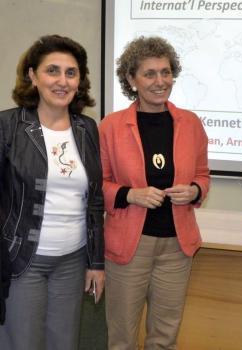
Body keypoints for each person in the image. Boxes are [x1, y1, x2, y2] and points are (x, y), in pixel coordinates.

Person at [99, 36, 210, 349]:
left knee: (165, 338)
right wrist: (130, 195)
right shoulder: (111, 127)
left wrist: (194, 190)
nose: (160, 81)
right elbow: (97, 184)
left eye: (166, 72)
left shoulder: (190, 124)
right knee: (122, 337)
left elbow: (203, 175)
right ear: (132, 80)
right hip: (129, 247)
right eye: (149, 74)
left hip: (177, 246)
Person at [0, 34, 105, 350]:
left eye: (71, 73)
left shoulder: (86, 128)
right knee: (23, 343)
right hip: (22, 261)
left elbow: (94, 200)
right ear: (32, 75)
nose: (62, 81)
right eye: (52, 71)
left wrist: (96, 264)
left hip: (72, 262)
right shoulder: (8, 126)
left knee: (65, 343)